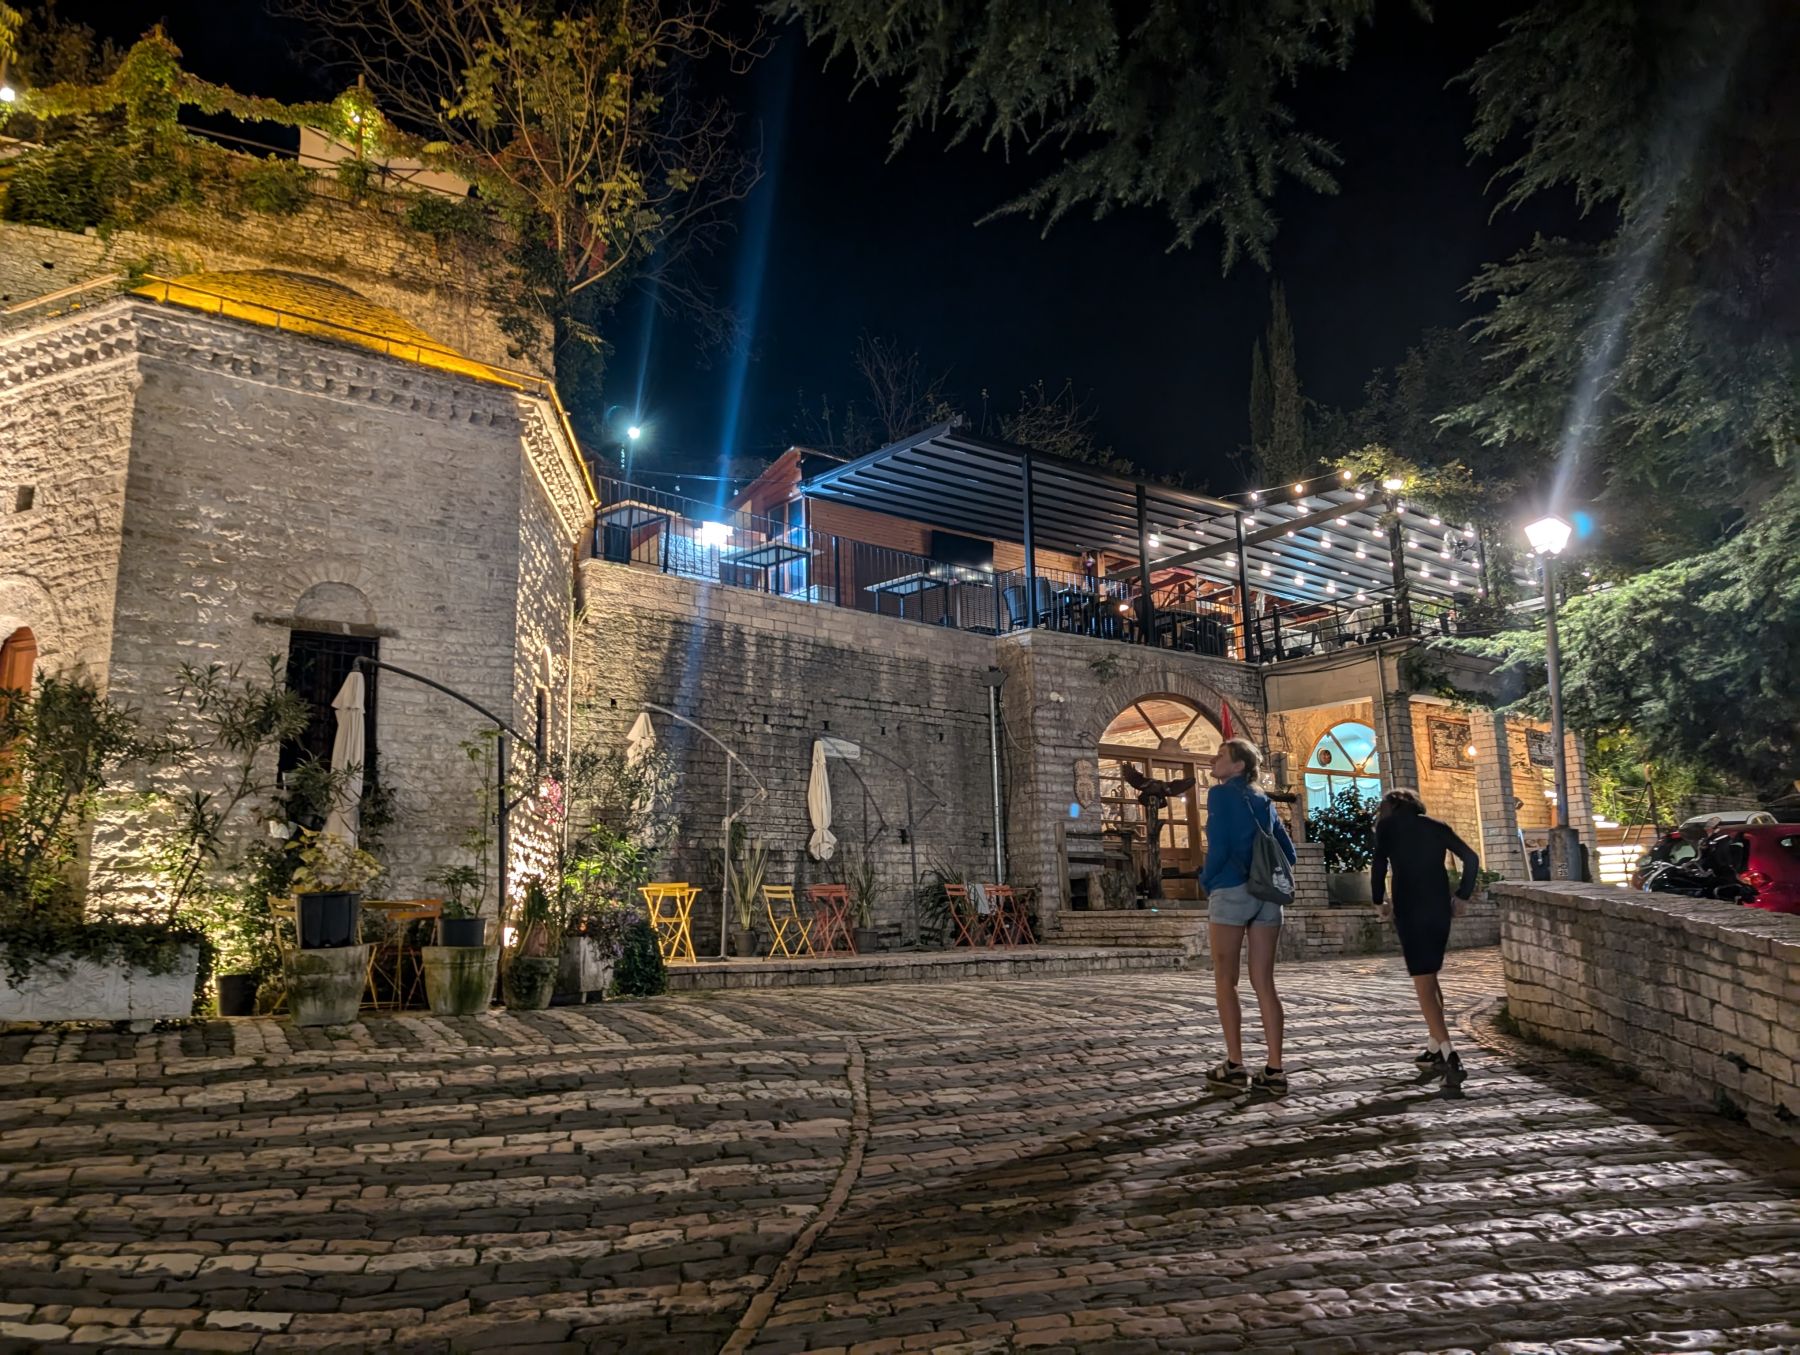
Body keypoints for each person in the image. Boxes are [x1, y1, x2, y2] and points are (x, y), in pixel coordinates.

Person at [1201, 737, 1297, 1095]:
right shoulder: (1263, 799)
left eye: (1221, 755)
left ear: (1238, 765)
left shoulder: (1220, 795)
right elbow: (1289, 852)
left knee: (1226, 979)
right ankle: (1274, 1069)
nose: (1214, 760)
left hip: (1231, 889)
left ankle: (1235, 1064)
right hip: (1267, 895)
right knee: (1264, 983)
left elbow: (1220, 846)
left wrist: (1207, 879)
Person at [1370, 788, 1481, 1086]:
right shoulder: (1437, 827)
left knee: (1423, 983)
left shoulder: (1387, 828)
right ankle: (1433, 1049)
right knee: (1430, 977)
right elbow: (1471, 859)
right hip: (1439, 909)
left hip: (1410, 910)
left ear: (1390, 807)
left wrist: (1379, 900)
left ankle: (1449, 1055)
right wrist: (1462, 896)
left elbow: (1379, 864)